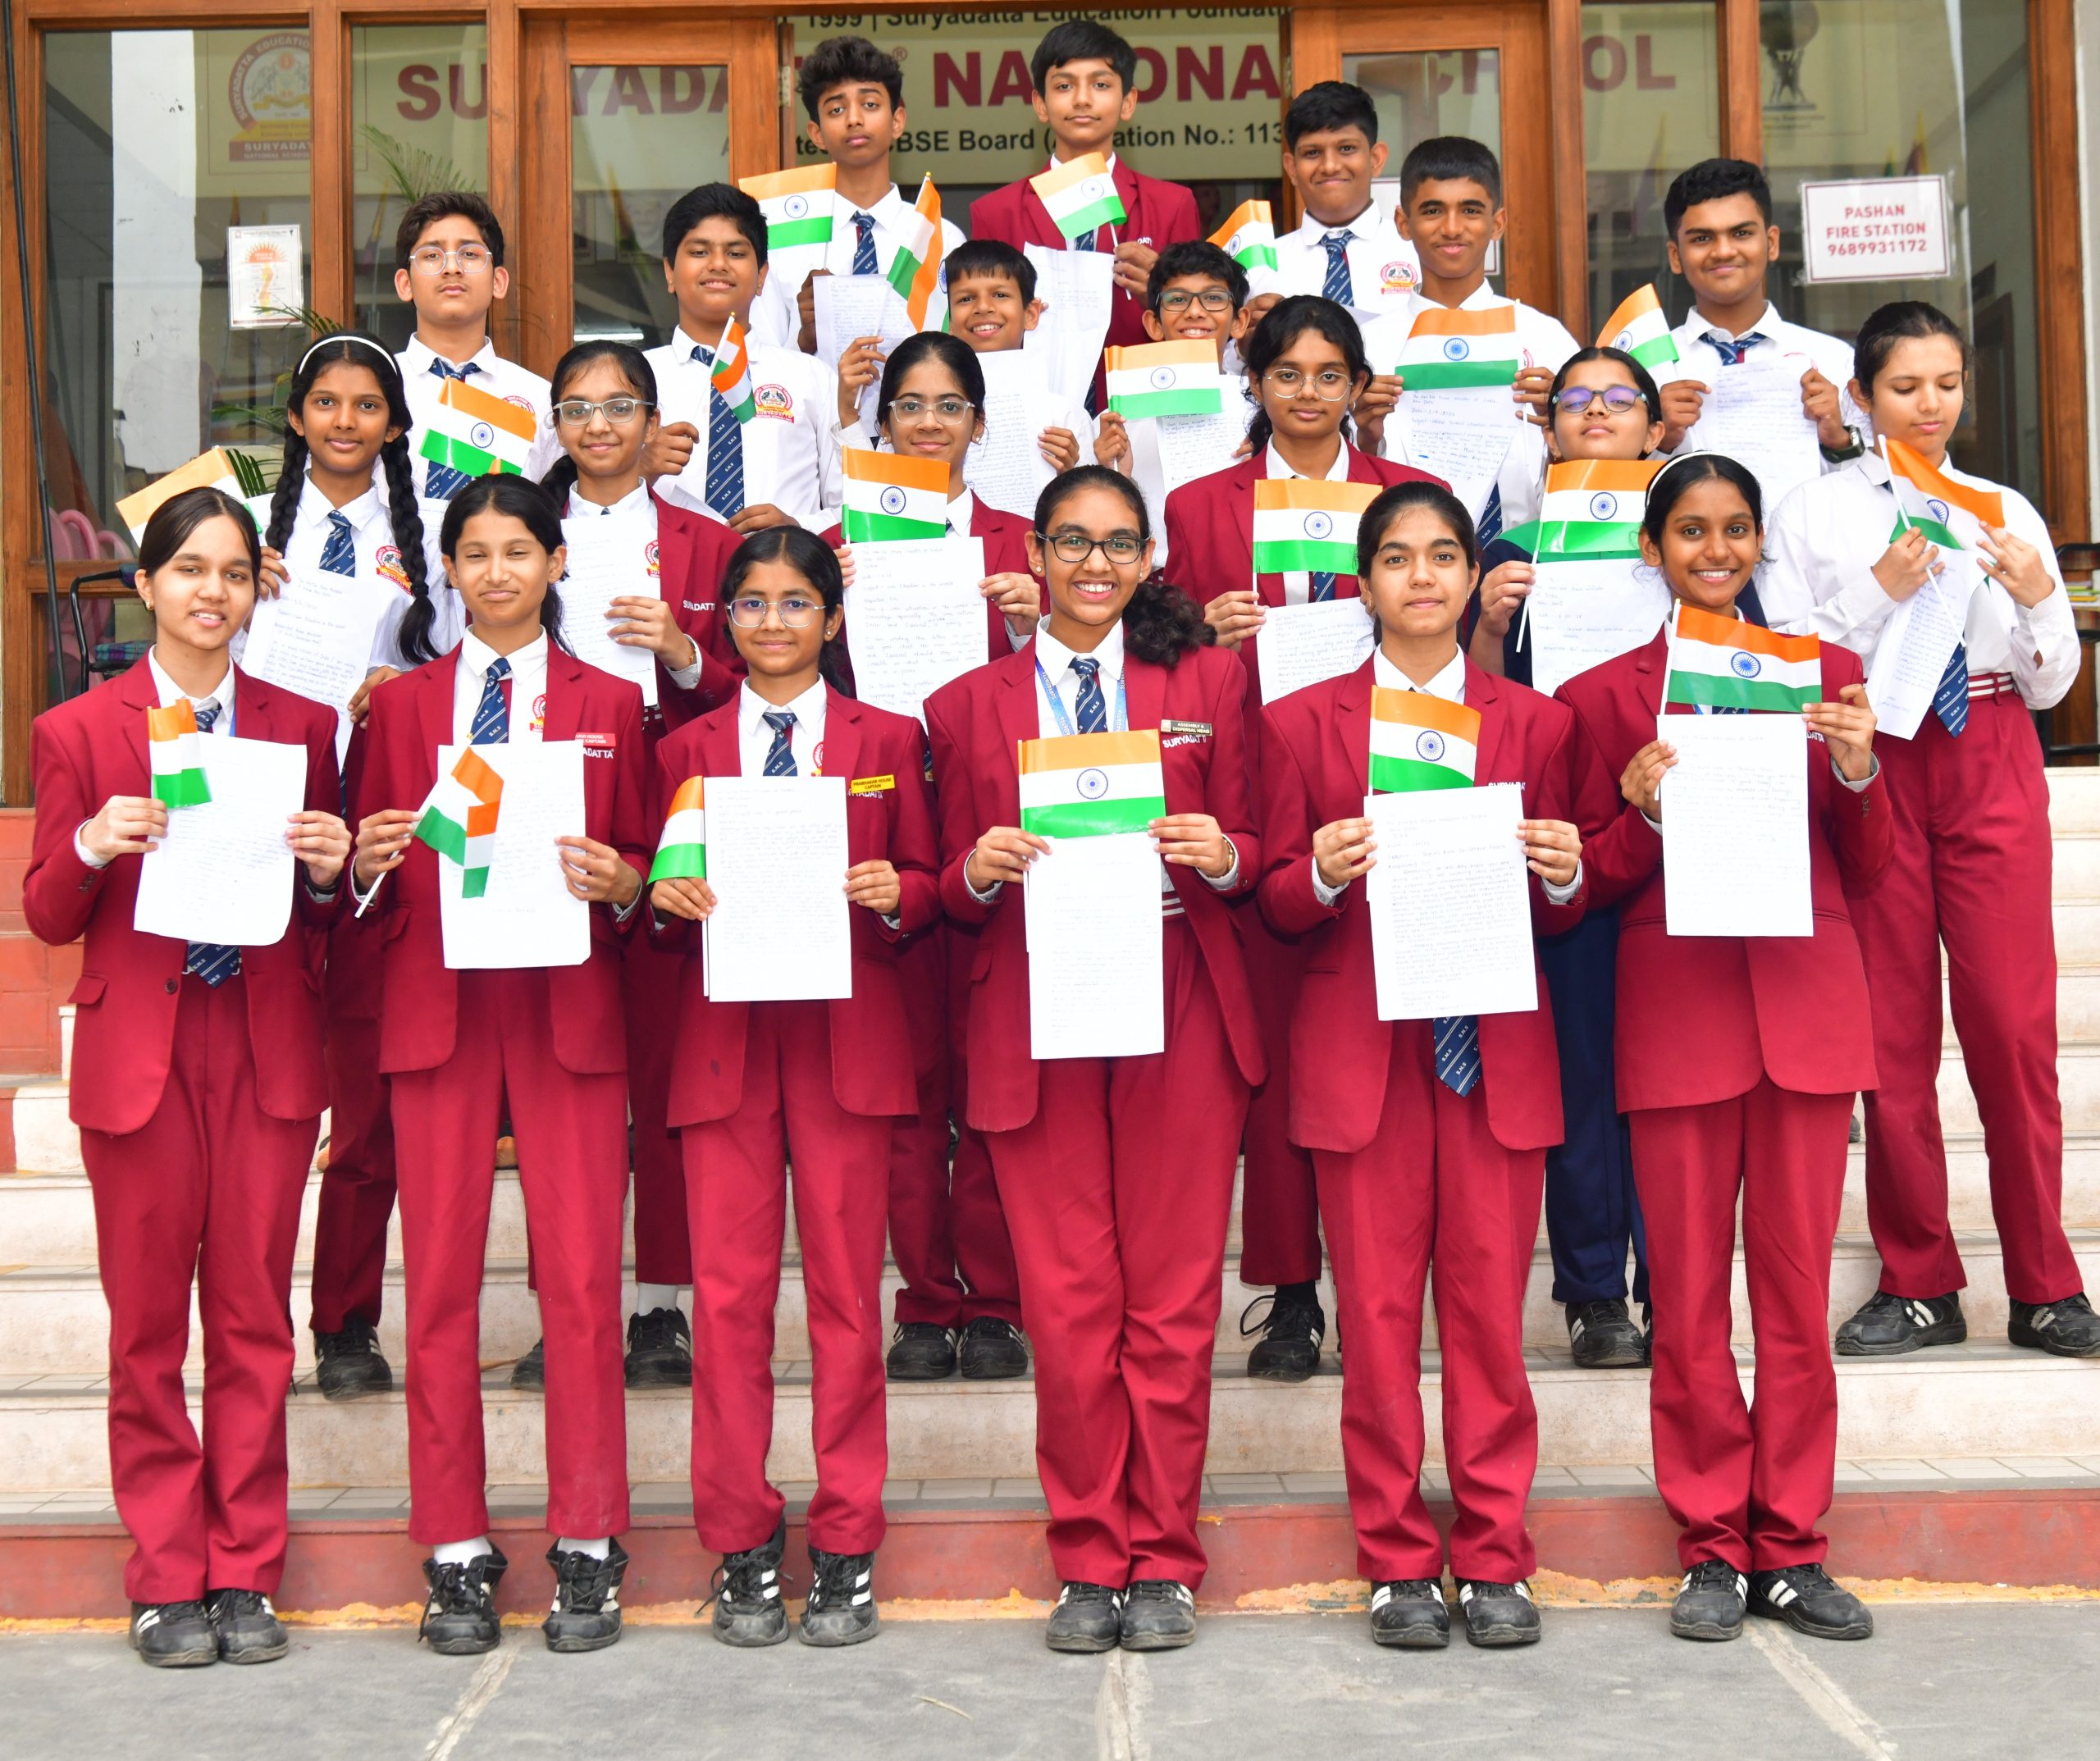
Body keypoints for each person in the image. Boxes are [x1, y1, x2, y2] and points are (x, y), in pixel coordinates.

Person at [924, 466, 1264, 1652]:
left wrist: (1222, 849)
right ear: (1035, 549)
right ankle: (1088, 1555)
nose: (1095, 563)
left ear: (1151, 555)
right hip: (1036, 995)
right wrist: (976, 870)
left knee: (1168, 1302)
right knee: (1070, 1306)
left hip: (1176, 993)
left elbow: (1261, 845)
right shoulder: (965, 702)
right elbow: (937, 886)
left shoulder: (1210, 680)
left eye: (1121, 543)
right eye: (1073, 540)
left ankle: (1164, 1555)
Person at [1558, 453, 1888, 1643]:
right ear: (1652, 548)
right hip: (1681, 1015)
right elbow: (1585, 881)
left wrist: (1855, 764)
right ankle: (1709, 1540)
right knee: (1689, 1301)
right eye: (1689, 530)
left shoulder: (1827, 673)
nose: (1714, 549)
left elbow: (1876, 859)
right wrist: (1638, 810)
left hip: (1803, 1012)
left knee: (1796, 1300)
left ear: (1759, 543)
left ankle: (1792, 1544)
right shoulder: (1603, 697)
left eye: (1735, 528)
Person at [24, 488, 350, 1667]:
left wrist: (325, 872)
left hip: (261, 1040)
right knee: (149, 1327)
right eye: (188, 570)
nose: (211, 593)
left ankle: (245, 1569)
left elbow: (329, 920)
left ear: (256, 591)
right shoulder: (79, 730)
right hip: (140, 1052)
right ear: (149, 584)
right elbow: (48, 912)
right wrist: (89, 843)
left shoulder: (300, 723)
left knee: (257, 1319)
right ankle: (166, 1574)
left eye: (232, 573)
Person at [1259, 478, 1587, 1649]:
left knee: (1492, 1324)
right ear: (1365, 583)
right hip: (1369, 1054)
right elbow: (1272, 900)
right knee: (1383, 1326)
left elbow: (1563, 910)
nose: (1424, 576)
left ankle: (1496, 1553)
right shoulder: (1302, 721)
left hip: (1491, 1053)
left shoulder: (1536, 722)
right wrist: (1325, 873)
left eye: (1445, 554)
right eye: (1397, 557)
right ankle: (1398, 1556)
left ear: (1468, 574)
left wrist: (1561, 872)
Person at [1763, 301, 2099, 1357]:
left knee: (2010, 1028)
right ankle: (1919, 1279)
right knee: (1893, 1037)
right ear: (1860, 397)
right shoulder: (1813, 513)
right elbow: (1780, 652)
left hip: (1989, 746)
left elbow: (2050, 684)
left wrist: (2043, 601)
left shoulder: (2001, 506)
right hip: (1874, 753)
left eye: (1946, 383)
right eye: (1905, 386)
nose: (1930, 404)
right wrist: (1877, 592)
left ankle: (2044, 1282)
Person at [350, 475, 650, 1656]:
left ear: (557, 559)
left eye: (516, 549)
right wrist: (369, 857)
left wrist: (622, 881)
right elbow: (359, 885)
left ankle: (587, 1534)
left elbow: (639, 864)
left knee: (580, 1285)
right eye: (471, 552)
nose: (494, 572)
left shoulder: (612, 701)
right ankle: (456, 1544)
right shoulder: (402, 706)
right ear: (448, 569)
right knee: (440, 1291)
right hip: (442, 1007)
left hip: (568, 1008)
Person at [650, 527, 938, 1647]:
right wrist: (667, 897)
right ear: (725, 621)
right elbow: (655, 884)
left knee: (845, 1305)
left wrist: (892, 888)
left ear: (831, 616)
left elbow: (928, 877)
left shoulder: (885, 739)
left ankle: (850, 1537)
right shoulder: (688, 748)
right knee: (725, 1309)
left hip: (844, 1048)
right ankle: (741, 1538)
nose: (773, 622)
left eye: (795, 602)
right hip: (725, 1051)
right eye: (752, 604)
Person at [1164, 294, 1440, 1379]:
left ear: (1360, 383)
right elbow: (1163, 644)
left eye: (1332, 373)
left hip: (1397, 768)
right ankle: (1287, 1290)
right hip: (1265, 767)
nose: (1311, 392)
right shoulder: (1199, 503)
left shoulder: (1412, 499)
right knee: (1281, 1050)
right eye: (1290, 373)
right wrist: (1207, 628)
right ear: (1256, 383)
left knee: (1382, 1039)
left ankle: (1392, 1270)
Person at [518, 339, 746, 1392]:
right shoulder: (520, 530)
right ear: (554, 422)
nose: (599, 425)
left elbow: (762, 675)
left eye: (620, 406)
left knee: (660, 1060)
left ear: (655, 421)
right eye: (578, 407)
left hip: (670, 785)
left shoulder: (702, 539)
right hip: (542, 798)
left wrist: (685, 653)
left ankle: (660, 1303)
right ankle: (561, 1301)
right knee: (555, 1066)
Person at [823, 331, 1034, 1380]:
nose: (929, 422)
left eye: (950, 405)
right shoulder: (839, 540)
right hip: (883, 827)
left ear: (980, 424)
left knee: (992, 1075)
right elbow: (764, 661)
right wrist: (828, 607)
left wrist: (1037, 623)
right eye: (909, 404)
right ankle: (925, 1297)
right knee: (907, 1088)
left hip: (1000, 827)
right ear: (882, 422)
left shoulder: (1024, 541)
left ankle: (994, 1296)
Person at [1467, 344, 1669, 1367]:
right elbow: (1467, 700)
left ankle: (1671, 1282)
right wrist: (1493, 628)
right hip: (1559, 832)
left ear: (1653, 423)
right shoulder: (1508, 542)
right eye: (1574, 399)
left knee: (1667, 1067)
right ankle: (1596, 1291)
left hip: (1677, 828)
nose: (1595, 412)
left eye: (1616, 398)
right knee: (1582, 1065)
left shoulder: (1693, 529)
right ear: (1546, 427)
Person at [266, 332, 450, 1407]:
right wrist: (246, 586)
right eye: (325, 403)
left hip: (389, 828)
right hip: (275, 829)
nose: (345, 420)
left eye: (367, 404)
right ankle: (262, 1307)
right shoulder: (248, 531)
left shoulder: (430, 532)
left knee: (374, 1101)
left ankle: (345, 1321)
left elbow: (479, 658)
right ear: (297, 418)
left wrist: (406, 679)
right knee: (296, 1100)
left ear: (393, 421)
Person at [968, 20, 1203, 399]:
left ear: (1128, 102)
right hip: (1035, 411)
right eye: (1064, 85)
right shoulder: (995, 212)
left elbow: (1203, 328)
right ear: (1040, 105)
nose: (1081, 99)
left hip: (1147, 403)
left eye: (1101, 84)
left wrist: (1162, 298)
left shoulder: (1172, 204)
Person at [1367, 136, 1577, 545]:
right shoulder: (1368, 345)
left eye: (1470, 210)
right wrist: (1364, 435)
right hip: (1410, 567)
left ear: (1497, 223)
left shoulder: (1545, 337)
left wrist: (1564, 418)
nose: (1451, 227)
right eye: (1432, 211)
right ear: (1402, 223)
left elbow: (1588, 459)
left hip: (1525, 559)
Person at [643, 184, 849, 534]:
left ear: (761, 276)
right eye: (699, 252)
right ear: (669, 272)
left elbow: (852, 503)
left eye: (736, 253)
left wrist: (797, 528)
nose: (718, 264)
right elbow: (585, 503)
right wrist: (639, 469)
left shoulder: (811, 377)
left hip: (782, 578)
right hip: (665, 581)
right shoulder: (634, 379)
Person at [1657, 159, 1865, 489]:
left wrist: (1837, 439)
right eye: (1701, 239)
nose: (1723, 251)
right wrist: (1661, 439)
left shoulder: (1835, 362)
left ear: (1771, 243)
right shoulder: (1646, 369)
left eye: (1741, 233)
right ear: (1675, 256)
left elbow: (1874, 493)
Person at [756, 34, 967, 353]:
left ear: (897, 121)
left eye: (870, 105)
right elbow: (764, 360)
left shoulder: (939, 235)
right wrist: (805, 339)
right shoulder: (784, 239)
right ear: (816, 133)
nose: (854, 119)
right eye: (836, 109)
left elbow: (962, 351)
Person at [391, 191, 560, 500]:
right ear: (405, 284)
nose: (452, 268)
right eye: (432, 255)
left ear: (499, 281)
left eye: (469, 254)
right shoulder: (376, 388)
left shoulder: (540, 400)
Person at [883, 239, 1092, 485]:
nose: (983, 307)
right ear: (947, 320)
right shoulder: (910, 416)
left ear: (1031, 313)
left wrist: (1069, 476)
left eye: (1000, 294)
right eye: (966, 299)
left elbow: (1087, 510)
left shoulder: (1065, 418)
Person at [1094, 240, 1255, 557]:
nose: (1195, 312)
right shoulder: (1117, 419)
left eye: (1213, 298)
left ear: (1239, 321)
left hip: (1239, 578)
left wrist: (1268, 457)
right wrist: (1106, 470)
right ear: (1154, 324)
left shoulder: (1263, 410)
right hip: (1152, 581)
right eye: (1178, 299)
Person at [1259, 80, 1416, 322]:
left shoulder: (1419, 253)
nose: (1330, 166)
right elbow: (1223, 355)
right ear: (1292, 168)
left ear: (1376, 159)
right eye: (1312, 153)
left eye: (1346, 149)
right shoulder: (1262, 269)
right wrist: (1243, 347)